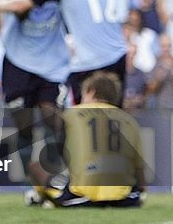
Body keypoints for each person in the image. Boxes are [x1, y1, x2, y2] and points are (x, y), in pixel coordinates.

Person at [0, 0, 69, 205]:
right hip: (19, 62)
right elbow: (20, 14)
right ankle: (36, 186)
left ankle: (56, 178)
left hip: (51, 64)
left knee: (53, 119)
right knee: (24, 127)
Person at [28, 73, 145, 208]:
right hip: (126, 197)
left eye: (83, 95)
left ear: (92, 92)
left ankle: (44, 197)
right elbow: (139, 168)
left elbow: (63, 150)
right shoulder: (129, 120)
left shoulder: (71, 114)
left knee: (35, 167)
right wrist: (140, 191)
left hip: (84, 195)